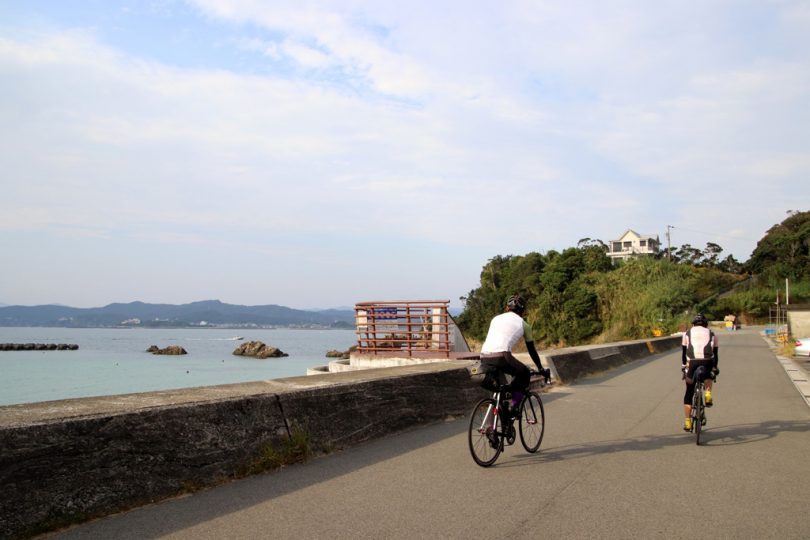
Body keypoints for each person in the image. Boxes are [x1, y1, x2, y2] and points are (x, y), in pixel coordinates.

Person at [479, 294, 550, 415]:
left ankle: (492, 426)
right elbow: (532, 351)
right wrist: (541, 369)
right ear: (523, 311)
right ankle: (514, 406)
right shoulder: (524, 325)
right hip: (502, 356)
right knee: (525, 373)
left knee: (501, 390)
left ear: (507, 308)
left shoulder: (495, 319)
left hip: (484, 356)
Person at [681, 313, 719, 431]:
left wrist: (684, 366)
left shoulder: (687, 334)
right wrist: (715, 367)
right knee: (709, 373)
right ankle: (708, 395)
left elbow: (684, 353)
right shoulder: (712, 334)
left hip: (692, 363)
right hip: (707, 361)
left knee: (689, 392)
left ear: (693, 324)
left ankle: (687, 422)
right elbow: (715, 355)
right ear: (706, 324)